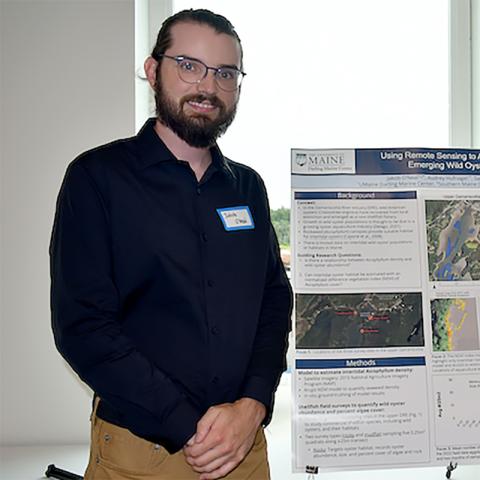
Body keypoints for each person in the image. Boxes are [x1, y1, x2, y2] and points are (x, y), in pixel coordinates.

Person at [50, 8, 292, 480]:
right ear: (152, 70)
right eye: (189, 65)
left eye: (225, 73)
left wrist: (253, 405)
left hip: (243, 448)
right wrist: (186, 426)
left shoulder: (247, 189)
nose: (208, 85)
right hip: (143, 455)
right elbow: (83, 326)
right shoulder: (97, 179)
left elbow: (273, 301)